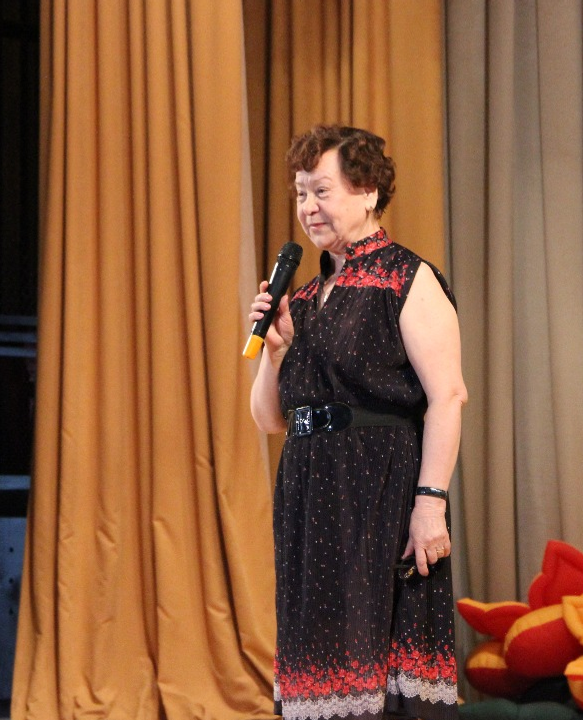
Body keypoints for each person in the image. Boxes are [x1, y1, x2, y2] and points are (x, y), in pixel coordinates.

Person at [248, 125, 467, 720]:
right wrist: (274, 352)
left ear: (368, 192)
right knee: (319, 660)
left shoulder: (406, 278)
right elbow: (270, 420)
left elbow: (449, 395)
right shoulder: (305, 296)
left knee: (377, 656)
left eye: (322, 191)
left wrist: (430, 505)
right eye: (301, 194)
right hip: (309, 496)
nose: (308, 207)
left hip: (378, 492)